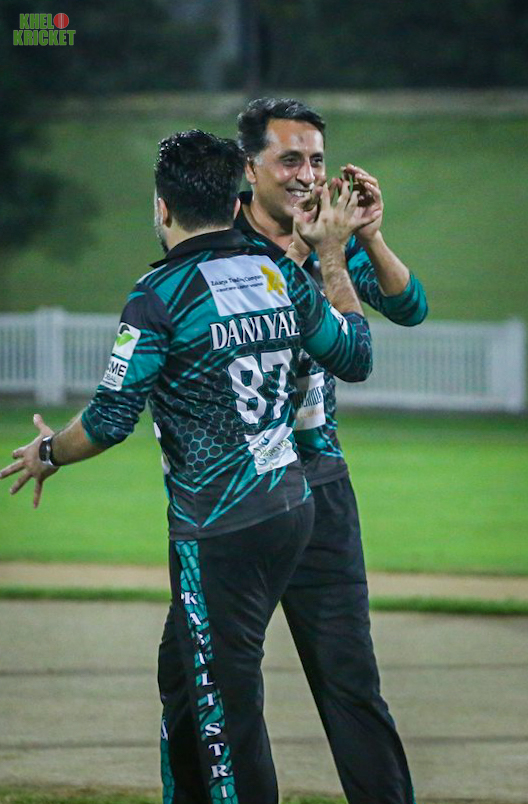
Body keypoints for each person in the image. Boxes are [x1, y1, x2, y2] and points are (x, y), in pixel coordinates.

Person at [1, 130, 375, 804]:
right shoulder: (277, 272)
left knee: (224, 710)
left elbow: (111, 419)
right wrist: (333, 262)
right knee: (182, 674)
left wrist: (48, 452)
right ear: (234, 203)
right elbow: (354, 354)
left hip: (219, 528)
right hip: (293, 507)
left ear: (162, 206)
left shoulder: (160, 294)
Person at [234, 98, 429, 804]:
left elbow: (409, 307)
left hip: (320, 486)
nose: (308, 174)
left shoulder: (329, 241)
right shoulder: (218, 246)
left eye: (316, 160)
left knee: (352, 682)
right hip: (239, 493)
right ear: (249, 168)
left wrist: (368, 237)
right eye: (290, 159)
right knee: (220, 684)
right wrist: (317, 251)